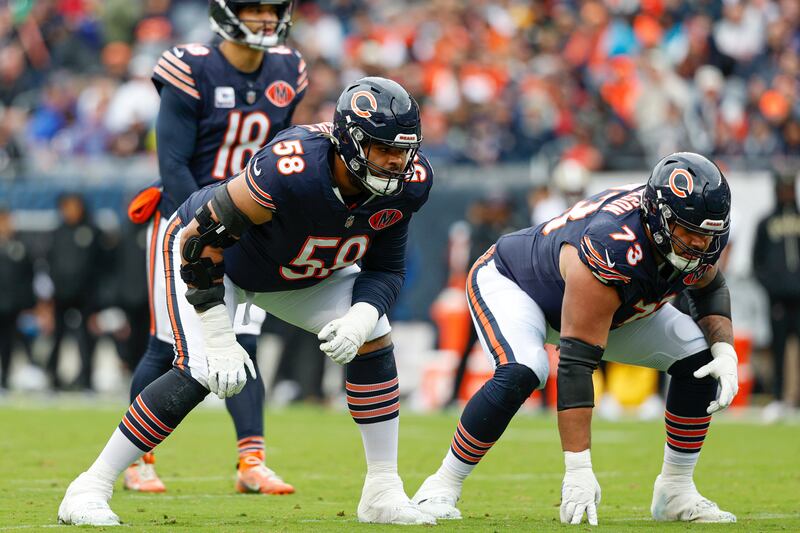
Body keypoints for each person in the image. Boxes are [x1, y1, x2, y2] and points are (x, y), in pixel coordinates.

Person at [58, 76, 436, 526]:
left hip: (299, 273)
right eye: (383, 148)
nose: (397, 161)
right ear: (351, 142)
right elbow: (201, 244)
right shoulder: (291, 168)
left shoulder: (411, 182)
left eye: (403, 150)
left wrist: (361, 314)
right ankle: (89, 486)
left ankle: (382, 488)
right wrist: (218, 332)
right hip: (219, 262)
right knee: (201, 368)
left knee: (374, 335)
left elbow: (387, 269)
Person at [413, 152, 739, 525]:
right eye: (689, 233)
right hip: (517, 285)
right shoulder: (613, 245)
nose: (699, 245)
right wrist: (578, 467)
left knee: (699, 358)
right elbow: (576, 362)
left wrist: (724, 349)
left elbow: (710, 287)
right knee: (525, 369)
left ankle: (676, 490)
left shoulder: (691, 230)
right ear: (659, 218)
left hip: (609, 306)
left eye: (706, 234)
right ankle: (441, 485)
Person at [123, 0, 307, 495]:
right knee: (166, 346)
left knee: (242, 343)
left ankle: (251, 460)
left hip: (245, 227)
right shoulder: (191, 67)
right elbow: (174, 165)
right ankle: (138, 458)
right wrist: (208, 229)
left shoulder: (289, 69)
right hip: (180, 223)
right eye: (256, 10)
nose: (267, 20)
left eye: (274, 10)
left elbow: (278, 155)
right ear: (228, 13)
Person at [752, 172, 800, 423]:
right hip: (778, 300)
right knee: (779, 349)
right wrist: (773, 288)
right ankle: (779, 398)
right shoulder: (765, 223)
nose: (787, 194)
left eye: (790, 188)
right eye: (783, 188)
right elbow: (756, 262)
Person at [45, 193, 102, 392]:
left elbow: (99, 266)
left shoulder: (92, 231)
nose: (70, 211)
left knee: (86, 338)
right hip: (60, 294)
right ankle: (53, 378)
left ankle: (86, 379)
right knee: (57, 337)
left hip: (86, 296)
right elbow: (49, 264)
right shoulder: (58, 232)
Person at [0, 205, 36, 391]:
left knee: (10, 344)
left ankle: (5, 378)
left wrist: (29, 303)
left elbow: (28, 276)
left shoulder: (20, 246)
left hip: (12, 305)